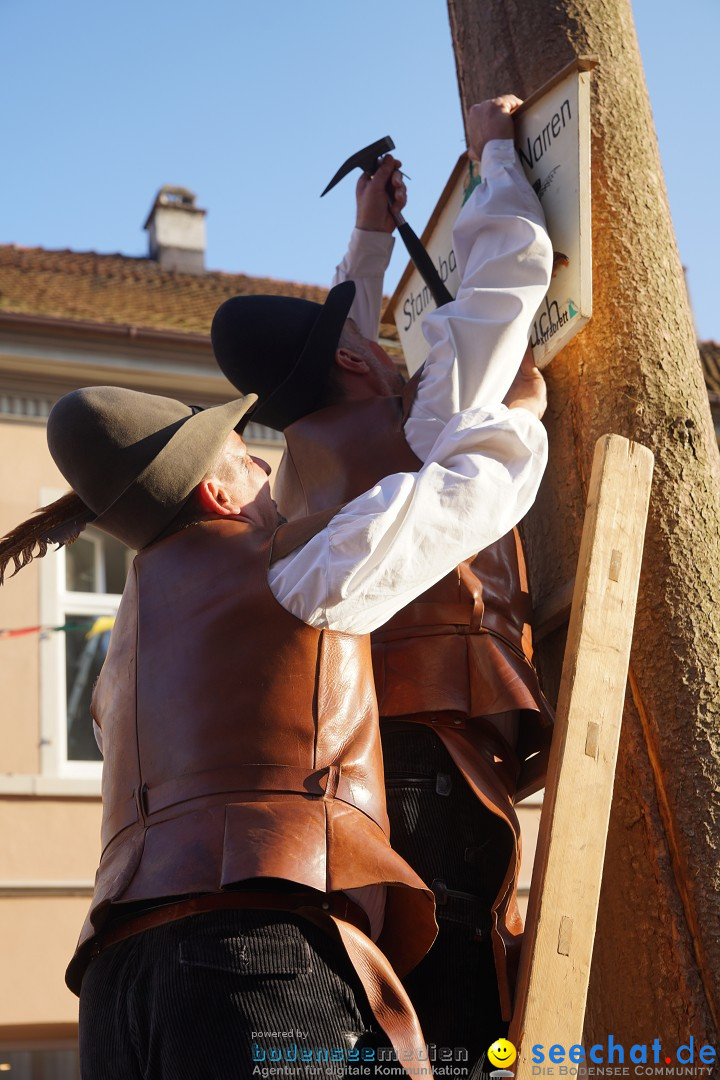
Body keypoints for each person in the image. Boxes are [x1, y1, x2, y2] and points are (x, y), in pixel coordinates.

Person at [211, 96, 554, 1062]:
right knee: (463, 1013)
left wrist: (366, 244)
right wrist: (497, 151)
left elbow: (342, 343)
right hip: (440, 756)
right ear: (356, 363)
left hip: (363, 767)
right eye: (360, 341)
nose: (373, 343)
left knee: (406, 1013)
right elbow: (506, 282)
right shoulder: (425, 416)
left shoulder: (299, 467)